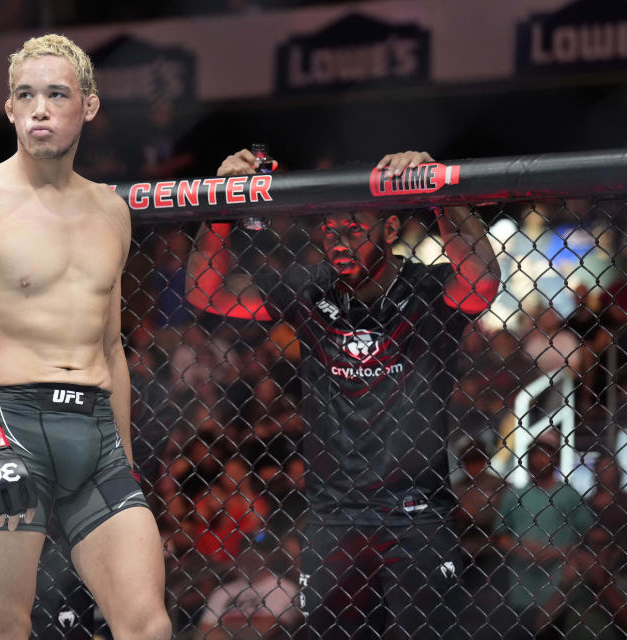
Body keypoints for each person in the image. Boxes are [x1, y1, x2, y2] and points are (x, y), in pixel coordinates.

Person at [0, 34, 170, 640]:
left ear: (89, 106)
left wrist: (126, 461)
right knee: (1, 629)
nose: (39, 109)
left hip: (97, 435)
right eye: (25, 95)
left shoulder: (111, 210)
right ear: (8, 109)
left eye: (57, 94)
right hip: (8, 425)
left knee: (147, 625)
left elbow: (110, 347)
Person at [186, 148, 501, 639]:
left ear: (390, 231)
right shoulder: (309, 289)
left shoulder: (426, 289)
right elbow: (207, 293)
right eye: (329, 230)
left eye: (354, 229)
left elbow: (482, 282)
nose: (338, 242)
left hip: (416, 511)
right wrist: (223, 205)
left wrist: (437, 188)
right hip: (334, 515)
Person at [492, 429, 594, 639]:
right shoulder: (514, 496)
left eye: (547, 453)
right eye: (536, 454)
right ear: (528, 459)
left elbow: (587, 534)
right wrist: (519, 548)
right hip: (521, 590)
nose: (541, 459)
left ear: (556, 459)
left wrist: (560, 551)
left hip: (559, 589)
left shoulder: (569, 494)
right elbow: (498, 536)